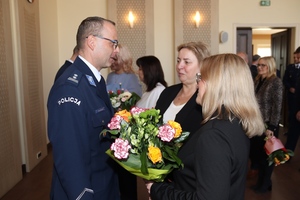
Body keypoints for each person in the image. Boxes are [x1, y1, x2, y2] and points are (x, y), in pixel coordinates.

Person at [145, 53, 265, 199]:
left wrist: (158, 190)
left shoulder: (214, 135)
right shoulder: (234, 122)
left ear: (215, 85)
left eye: (200, 78)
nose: (197, 84)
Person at [47, 16, 120, 200]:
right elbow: (70, 159)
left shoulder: (95, 80)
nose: (116, 50)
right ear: (92, 42)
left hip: (104, 184)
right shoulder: (70, 88)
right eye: (113, 43)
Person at [155, 41, 210, 136]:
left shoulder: (205, 98)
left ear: (201, 66)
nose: (179, 66)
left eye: (186, 62)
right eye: (178, 61)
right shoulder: (168, 92)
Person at [251, 56, 283, 193]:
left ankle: (264, 184)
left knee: (267, 158)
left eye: (263, 65)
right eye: (258, 65)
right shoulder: (258, 80)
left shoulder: (275, 82)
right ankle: (263, 182)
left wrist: (272, 127)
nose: (259, 67)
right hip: (257, 123)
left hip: (268, 125)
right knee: (258, 155)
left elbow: (277, 107)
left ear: (270, 67)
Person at [283, 48, 300, 135]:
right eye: (295, 58)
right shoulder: (290, 67)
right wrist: (290, 88)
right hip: (292, 95)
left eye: (298, 58)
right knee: (291, 114)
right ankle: (290, 131)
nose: (296, 59)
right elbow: (285, 80)